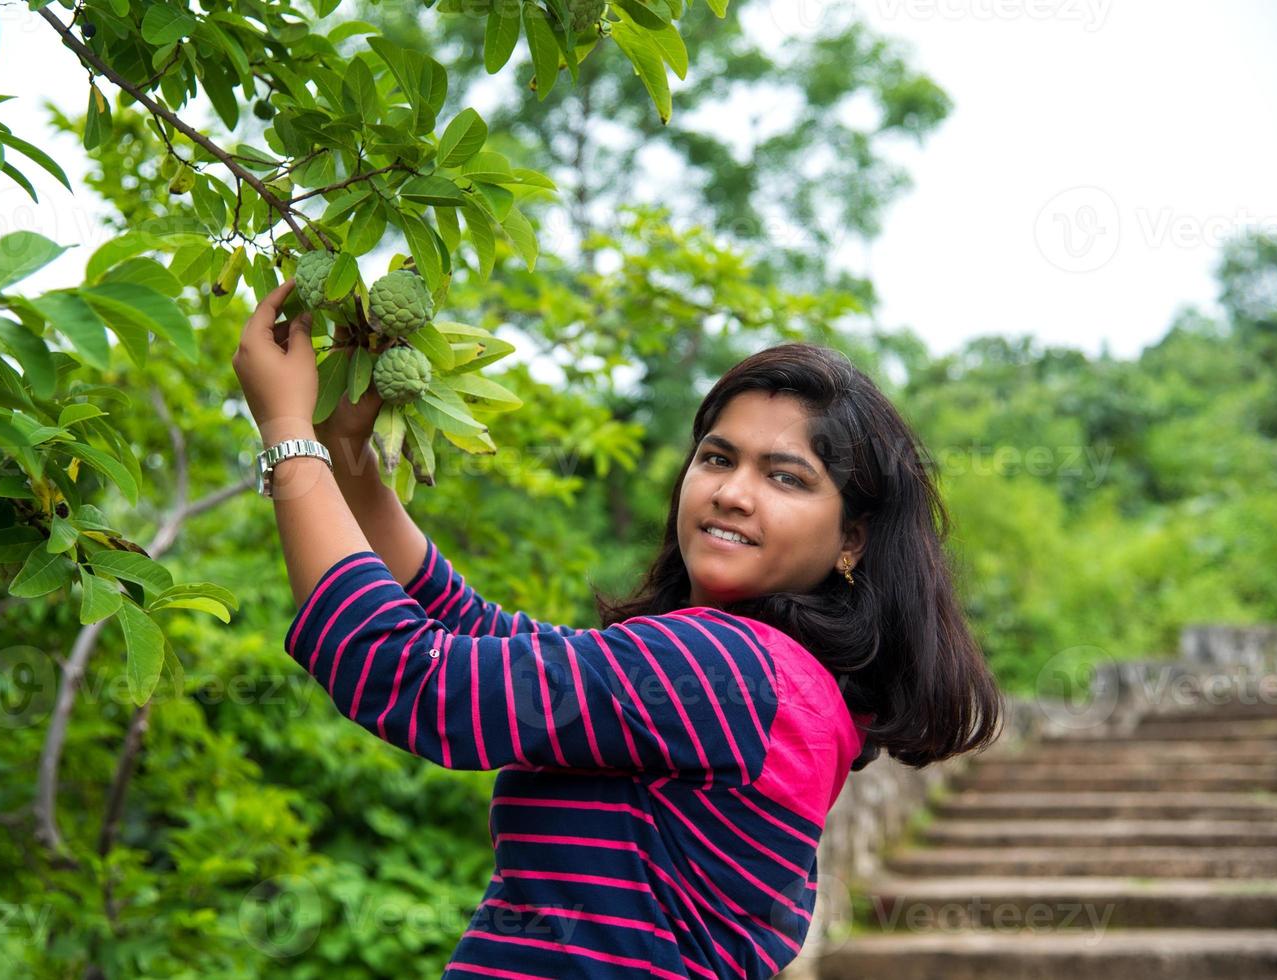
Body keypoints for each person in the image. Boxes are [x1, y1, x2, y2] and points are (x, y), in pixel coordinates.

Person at [232, 279, 1004, 978]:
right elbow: (481, 637)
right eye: (716, 458)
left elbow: (406, 673)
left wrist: (286, 435)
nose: (733, 492)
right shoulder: (771, 682)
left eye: (786, 477)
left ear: (852, 539)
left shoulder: (730, 668)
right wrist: (348, 452)